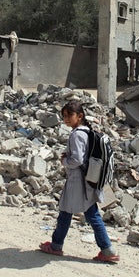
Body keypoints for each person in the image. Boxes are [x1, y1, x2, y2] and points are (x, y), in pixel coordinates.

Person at [39, 101, 120, 263]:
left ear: (80, 116)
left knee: (75, 213)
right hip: (87, 179)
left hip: (78, 181)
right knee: (73, 213)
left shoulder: (76, 134)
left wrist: (64, 161)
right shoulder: (87, 132)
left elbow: (77, 159)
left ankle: (107, 250)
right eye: (64, 116)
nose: (66, 119)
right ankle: (58, 245)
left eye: (69, 115)